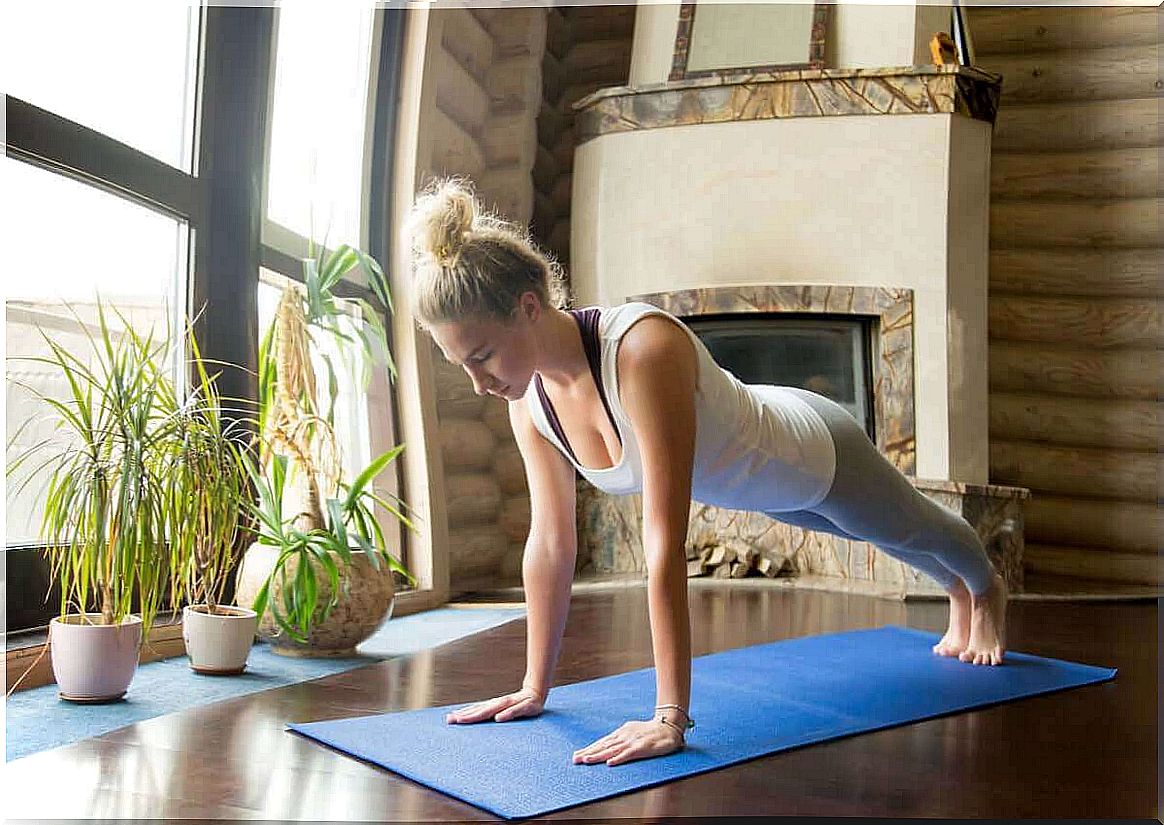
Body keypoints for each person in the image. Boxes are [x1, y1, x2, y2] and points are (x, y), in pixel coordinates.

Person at [405, 178, 1008, 768]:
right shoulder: (528, 404)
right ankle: (956, 588)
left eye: (481, 355)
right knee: (875, 534)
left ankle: (984, 588)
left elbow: (664, 540)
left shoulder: (641, 350)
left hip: (808, 449)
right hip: (757, 486)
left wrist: (670, 716)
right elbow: (551, 541)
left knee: (905, 527)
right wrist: (535, 687)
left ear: (528, 308)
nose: (479, 383)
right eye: (463, 366)